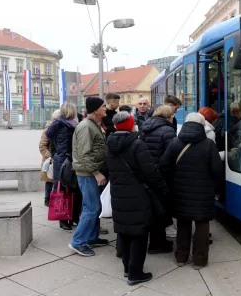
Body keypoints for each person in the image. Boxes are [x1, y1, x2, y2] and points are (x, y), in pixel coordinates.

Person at [106, 111, 169, 285]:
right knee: (139, 234)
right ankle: (135, 273)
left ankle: (127, 267)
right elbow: (150, 170)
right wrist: (162, 187)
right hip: (138, 194)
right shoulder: (137, 144)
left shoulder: (109, 144)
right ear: (130, 124)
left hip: (118, 195)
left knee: (124, 232)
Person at [160, 113, 223, 270]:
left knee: (183, 224)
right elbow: (217, 170)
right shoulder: (208, 144)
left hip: (180, 191)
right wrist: (214, 188)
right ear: (202, 126)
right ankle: (199, 260)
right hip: (203, 192)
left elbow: (164, 166)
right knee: (202, 225)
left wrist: (173, 183)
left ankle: (181, 257)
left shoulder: (175, 142)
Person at [69, 96, 109, 257]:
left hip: (91, 172)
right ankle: (77, 242)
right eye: (103, 106)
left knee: (95, 207)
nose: (105, 108)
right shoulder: (86, 127)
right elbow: (85, 155)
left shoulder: (94, 125)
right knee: (91, 209)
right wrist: (97, 173)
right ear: (95, 109)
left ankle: (92, 238)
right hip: (88, 174)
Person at [141, 105, 177, 248]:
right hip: (162, 175)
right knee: (162, 209)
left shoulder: (145, 127)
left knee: (153, 207)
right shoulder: (168, 130)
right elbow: (172, 154)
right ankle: (158, 243)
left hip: (148, 173)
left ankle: (155, 240)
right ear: (168, 115)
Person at [46, 102, 81, 231]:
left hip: (61, 159)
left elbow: (49, 136)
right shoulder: (68, 125)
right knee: (66, 189)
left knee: (68, 189)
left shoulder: (60, 123)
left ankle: (70, 218)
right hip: (66, 160)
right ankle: (65, 219)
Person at [39, 109, 61, 207]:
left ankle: (54, 198)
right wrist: (50, 156)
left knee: (54, 180)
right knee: (49, 181)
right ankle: (47, 199)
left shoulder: (59, 127)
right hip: (50, 160)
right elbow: (42, 146)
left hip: (58, 157)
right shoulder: (49, 128)